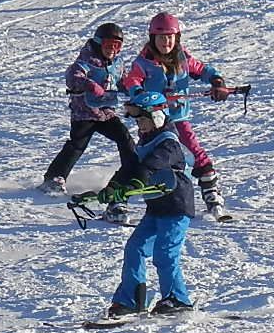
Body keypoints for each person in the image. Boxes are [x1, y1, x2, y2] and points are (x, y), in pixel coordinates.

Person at [77, 91, 196, 319]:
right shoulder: (145, 141)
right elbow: (129, 168)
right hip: (156, 208)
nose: (139, 126)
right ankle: (131, 301)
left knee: (165, 252)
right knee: (135, 248)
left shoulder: (169, 142)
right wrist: (111, 189)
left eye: (143, 120)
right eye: (138, 121)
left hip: (176, 206)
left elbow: (151, 165)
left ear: (157, 117)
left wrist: (134, 183)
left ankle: (178, 299)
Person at [120, 12, 233, 219]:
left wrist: (217, 82)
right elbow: (132, 80)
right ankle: (119, 199)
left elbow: (202, 70)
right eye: (161, 38)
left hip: (178, 118)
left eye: (170, 37)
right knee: (145, 157)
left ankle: (211, 193)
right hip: (154, 121)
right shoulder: (144, 62)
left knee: (195, 152)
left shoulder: (182, 58)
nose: (166, 42)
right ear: (153, 38)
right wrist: (140, 93)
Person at [38, 22, 137, 223]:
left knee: (125, 138)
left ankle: (132, 173)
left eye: (117, 45)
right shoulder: (87, 60)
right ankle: (54, 177)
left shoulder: (117, 64)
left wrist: (135, 90)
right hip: (84, 113)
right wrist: (90, 85)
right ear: (99, 43)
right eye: (109, 44)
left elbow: (123, 82)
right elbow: (72, 76)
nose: (112, 49)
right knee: (77, 144)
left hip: (105, 113)